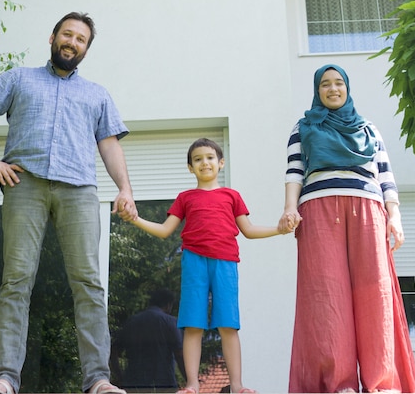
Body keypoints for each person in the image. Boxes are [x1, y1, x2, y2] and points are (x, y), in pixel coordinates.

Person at [0, 12, 137, 394]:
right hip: (25, 185)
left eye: (81, 39)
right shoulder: (19, 78)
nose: (72, 42)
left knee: (89, 283)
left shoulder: (97, 94)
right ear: (53, 37)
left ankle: (98, 380)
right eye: (67, 34)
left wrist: (124, 188)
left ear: (86, 50)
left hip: (79, 190)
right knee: (16, 280)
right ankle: (6, 378)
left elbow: (108, 144)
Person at [278, 64, 415, 393]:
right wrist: (290, 207)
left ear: (347, 87)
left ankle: (382, 383)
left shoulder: (368, 127)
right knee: (327, 295)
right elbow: (294, 172)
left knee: (375, 292)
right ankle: (339, 383)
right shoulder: (303, 127)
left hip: (368, 208)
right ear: (317, 91)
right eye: (325, 84)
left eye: (338, 83)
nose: (332, 89)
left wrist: (394, 216)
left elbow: (385, 175)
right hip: (318, 208)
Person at [121, 138, 298, 394]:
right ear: (190, 168)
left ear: (221, 163)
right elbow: (164, 230)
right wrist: (135, 218)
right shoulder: (185, 198)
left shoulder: (231, 196)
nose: (204, 162)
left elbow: (248, 230)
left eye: (210, 157)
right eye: (198, 159)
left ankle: (236, 385)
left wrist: (279, 230)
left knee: (228, 324)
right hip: (194, 262)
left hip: (225, 263)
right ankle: (192, 384)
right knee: (193, 324)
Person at [111, 288, 186, 392]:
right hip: (164, 383)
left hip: (133, 384)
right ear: (168, 304)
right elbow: (179, 355)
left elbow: (113, 351)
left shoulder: (131, 322)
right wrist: (189, 380)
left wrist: (120, 376)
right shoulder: (171, 322)